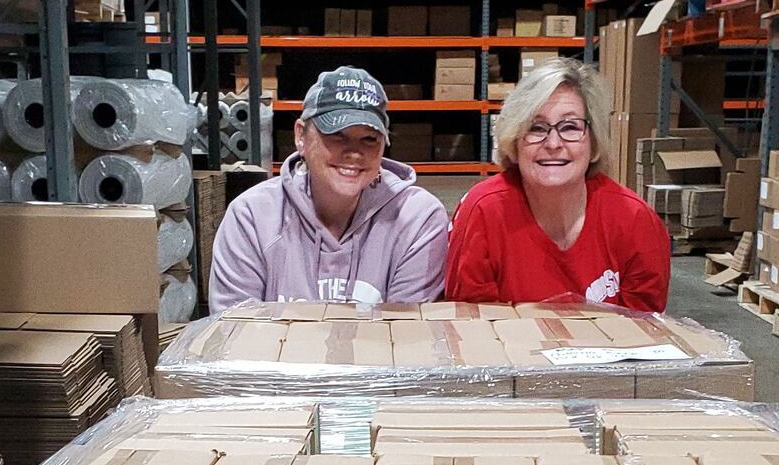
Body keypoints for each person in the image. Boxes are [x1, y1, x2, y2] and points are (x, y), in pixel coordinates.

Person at [208, 66, 449, 310]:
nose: (354, 152)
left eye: (369, 139)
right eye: (337, 134)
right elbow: (234, 334)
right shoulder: (252, 217)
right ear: (301, 136)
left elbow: (407, 335)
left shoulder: (417, 218)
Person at [443, 60, 670, 311]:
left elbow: (644, 335)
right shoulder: (483, 211)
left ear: (593, 142)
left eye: (570, 126)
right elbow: (470, 328)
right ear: (514, 141)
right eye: (536, 128)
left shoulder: (635, 220)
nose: (553, 143)